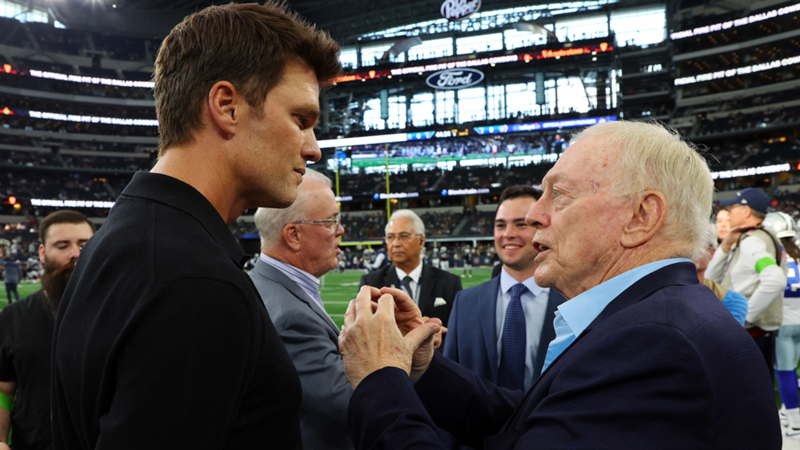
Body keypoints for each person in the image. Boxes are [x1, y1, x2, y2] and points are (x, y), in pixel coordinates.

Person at [338, 120, 781, 449]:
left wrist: (380, 380)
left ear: (641, 216)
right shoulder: (659, 319)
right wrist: (422, 369)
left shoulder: (655, 344)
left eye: (559, 195)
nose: (535, 215)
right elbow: (537, 420)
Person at [50, 4, 341, 449]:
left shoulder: (122, 238)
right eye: (300, 120)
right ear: (227, 106)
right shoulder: (194, 281)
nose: (313, 148)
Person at [249, 170, 353, 450]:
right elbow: (351, 404)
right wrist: (395, 353)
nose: (340, 230)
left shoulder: (263, 285)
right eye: (331, 221)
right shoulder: (289, 315)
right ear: (293, 235)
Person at [444, 186, 565, 392]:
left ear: (543, 227)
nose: (508, 234)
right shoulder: (465, 302)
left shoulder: (570, 299)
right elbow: (449, 383)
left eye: (521, 224)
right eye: (501, 225)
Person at [0, 211, 95, 450]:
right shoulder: (13, 317)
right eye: (62, 246)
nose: (75, 253)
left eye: (85, 245)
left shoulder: (120, 313)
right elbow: (3, 390)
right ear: (42, 253)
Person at [706, 188, 787, 383]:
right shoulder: (765, 236)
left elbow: (775, 279)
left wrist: (744, 317)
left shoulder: (752, 241)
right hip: (759, 335)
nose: (729, 211)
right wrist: (725, 245)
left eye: (734, 206)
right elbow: (710, 280)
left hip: (750, 335)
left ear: (746, 211)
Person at [360, 210, 462, 336]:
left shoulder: (449, 283)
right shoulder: (371, 283)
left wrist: (438, 336)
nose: (396, 243)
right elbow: (366, 334)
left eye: (404, 236)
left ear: (421, 240)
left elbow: (460, 333)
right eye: (390, 237)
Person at [761, 212, 800, 438]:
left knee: (784, 372)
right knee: (792, 369)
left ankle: (794, 423)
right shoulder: (798, 254)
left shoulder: (773, 256)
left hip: (783, 321)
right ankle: (787, 411)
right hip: (799, 318)